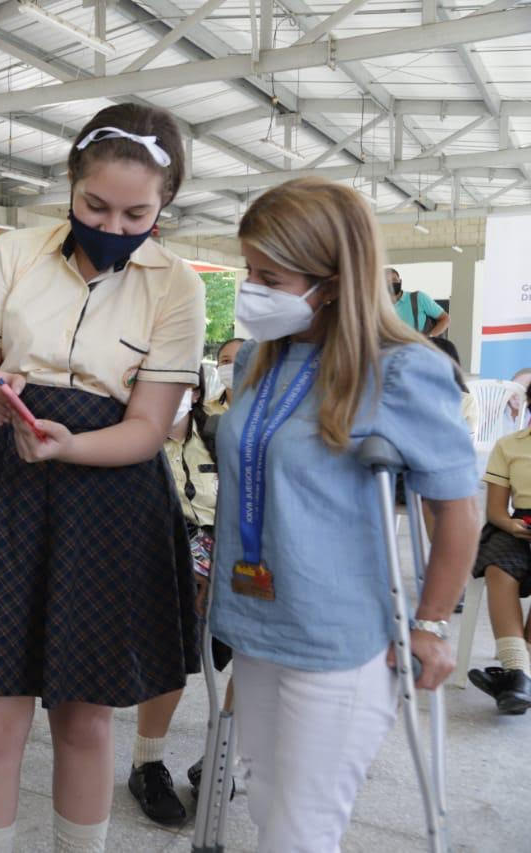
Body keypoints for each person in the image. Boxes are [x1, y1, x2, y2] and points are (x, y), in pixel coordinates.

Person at [0, 103, 204, 852]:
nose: (113, 226)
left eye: (136, 213)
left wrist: (68, 447)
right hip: (7, 489)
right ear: (69, 184)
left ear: (165, 205)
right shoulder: (14, 251)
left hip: (108, 500)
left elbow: (149, 428)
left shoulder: (177, 285)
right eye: (95, 205)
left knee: (85, 717)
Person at [209, 178, 480, 850]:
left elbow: (459, 510)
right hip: (256, 620)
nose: (251, 288)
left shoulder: (403, 370)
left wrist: (430, 623)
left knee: (300, 832)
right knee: (268, 808)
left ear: (329, 281)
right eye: (247, 270)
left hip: (338, 640)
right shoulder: (257, 362)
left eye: (268, 275)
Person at [129, 365, 221, 826]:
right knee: (180, 619)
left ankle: (221, 756)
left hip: (222, 550)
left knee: (261, 636)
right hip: (157, 551)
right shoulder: (132, 439)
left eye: (182, 385)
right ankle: (147, 762)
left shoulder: (218, 436)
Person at [467, 426, 531, 714]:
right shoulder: (508, 446)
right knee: (498, 568)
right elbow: (495, 510)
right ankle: (519, 674)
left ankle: (518, 676)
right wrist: (512, 526)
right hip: (515, 525)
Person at [387, 267, 450, 337]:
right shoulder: (378, 307)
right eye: (387, 281)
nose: (391, 283)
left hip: (421, 345)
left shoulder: (418, 298)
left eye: (394, 280)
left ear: (400, 281)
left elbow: (445, 319)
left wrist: (429, 338)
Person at [208, 337, 244, 414]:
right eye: (226, 361)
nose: (234, 366)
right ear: (218, 368)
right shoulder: (207, 409)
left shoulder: (271, 410)